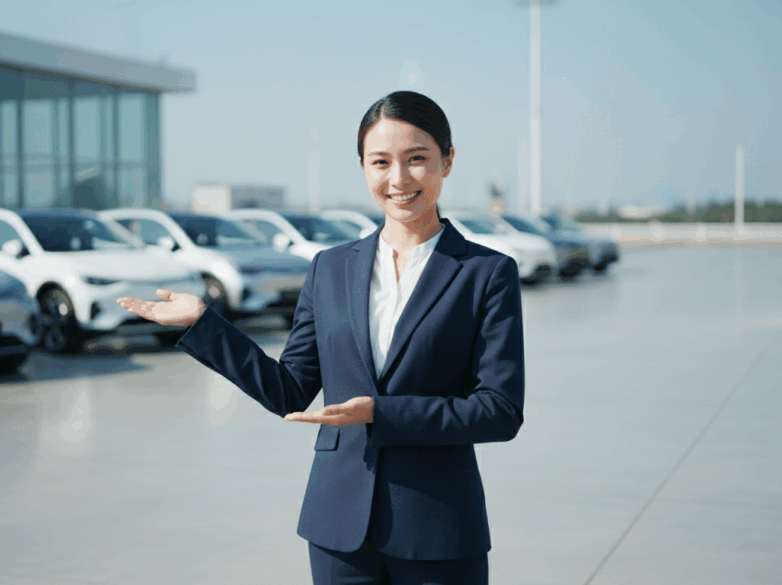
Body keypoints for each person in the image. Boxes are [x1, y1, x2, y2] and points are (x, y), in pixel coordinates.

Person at [117, 90, 525, 585]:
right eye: (381, 162)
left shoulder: (486, 273)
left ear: (448, 160)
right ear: (362, 167)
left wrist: (380, 413)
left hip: (437, 529)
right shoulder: (329, 269)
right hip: (338, 530)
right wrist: (205, 324)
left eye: (417, 159)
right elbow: (288, 389)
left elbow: (499, 410)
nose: (398, 179)